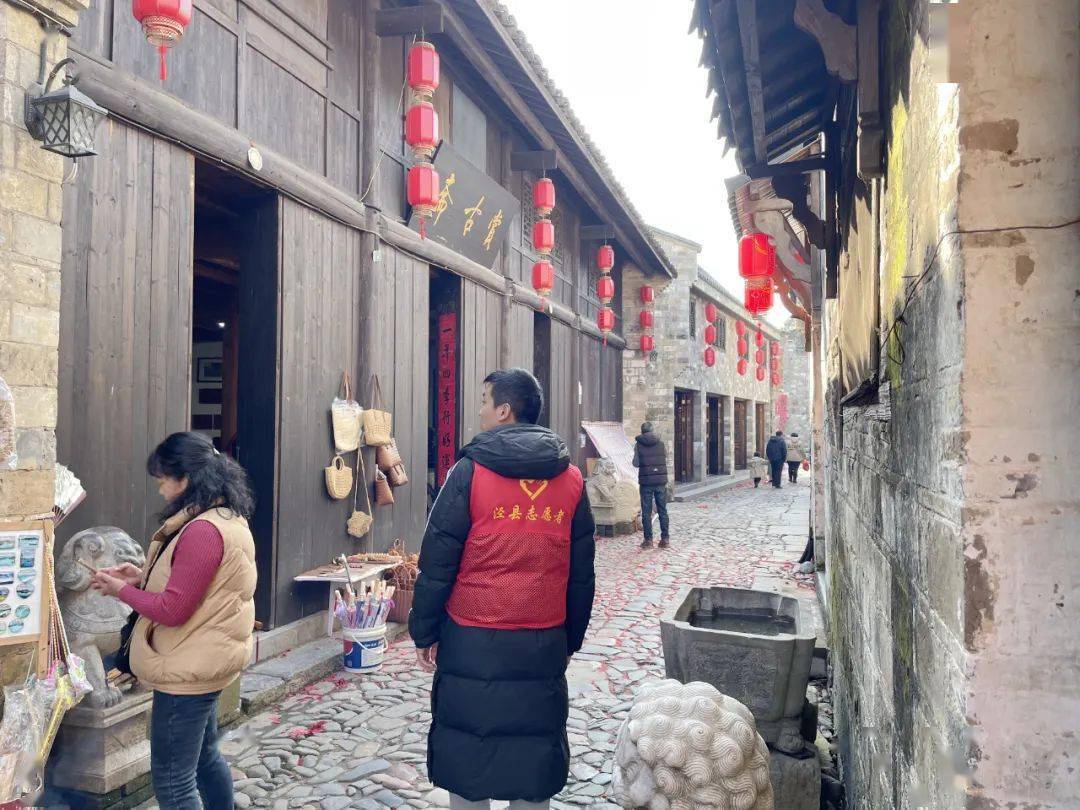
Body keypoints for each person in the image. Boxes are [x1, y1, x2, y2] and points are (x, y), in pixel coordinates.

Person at [409, 368, 596, 810]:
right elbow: (581, 573)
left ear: (504, 411)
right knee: (533, 756)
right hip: (542, 638)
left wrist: (425, 630)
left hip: (472, 639)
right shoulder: (570, 481)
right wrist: (570, 638)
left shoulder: (468, 473)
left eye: (483, 400)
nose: (479, 409)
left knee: (468, 756)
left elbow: (438, 560)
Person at [90, 431, 256, 810]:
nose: (161, 488)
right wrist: (139, 576)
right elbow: (198, 586)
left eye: (163, 479)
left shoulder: (202, 531)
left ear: (186, 479)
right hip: (207, 661)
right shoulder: (225, 518)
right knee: (204, 758)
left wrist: (120, 590)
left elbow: (173, 610)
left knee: (172, 780)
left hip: (187, 672)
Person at [632, 422, 670, 549]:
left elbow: (636, 463)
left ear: (642, 431)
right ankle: (665, 539)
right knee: (662, 510)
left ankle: (648, 541)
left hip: (646, 482)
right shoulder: (661, 443)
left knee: (646, 512)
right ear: (652, 431)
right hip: (660, 481)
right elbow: (664, 456)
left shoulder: (638, 445)